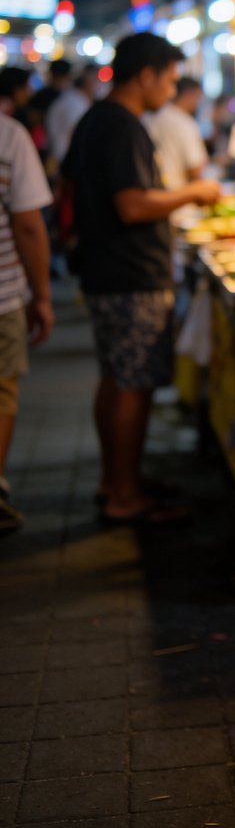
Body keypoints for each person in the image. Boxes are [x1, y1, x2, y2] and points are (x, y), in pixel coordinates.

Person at [62, 32, 221, 526]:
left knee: (116, 379)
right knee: (134, 384)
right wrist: (193, 192)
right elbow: (132, 205)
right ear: (146, 75)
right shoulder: (124, 125)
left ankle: (117, 479)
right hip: (130, 272)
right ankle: (124, 495)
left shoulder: (95, 119)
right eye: (169, 80)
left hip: (105, 269)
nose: (171, 91)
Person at [0, 111, 54, 532]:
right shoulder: (7, 134)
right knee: (1, 396)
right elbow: (28, 225)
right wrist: (42, 296)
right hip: (2, 297)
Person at [142, 74, 209, 189]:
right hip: (179, 196)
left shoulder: (148, 116)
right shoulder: (184, 122)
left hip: (152, 191)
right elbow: (194, 169)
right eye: (198, 97)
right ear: (189, 94)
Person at [45, 64, 102, 169]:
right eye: (97, 80)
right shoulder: (74, 103)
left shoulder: (75, 99)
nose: (99, 85)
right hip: (62, 162)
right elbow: (76, 134)